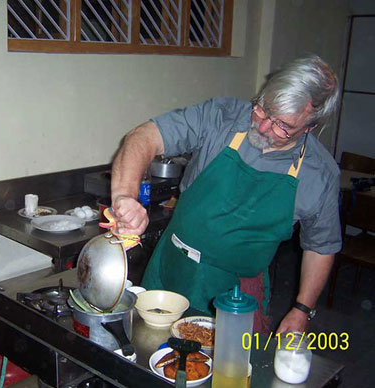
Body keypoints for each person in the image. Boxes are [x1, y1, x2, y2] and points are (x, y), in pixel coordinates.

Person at [110, 55, 341, 334]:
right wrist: (125, 196)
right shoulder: (222, 117)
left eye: (283, 126)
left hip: (236, 294)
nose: (264, 126)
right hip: (171, 268)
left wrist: (302, 309)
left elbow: (320, 246)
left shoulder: (320, 174)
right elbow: (142, 137)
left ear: (309, 128)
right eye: (262, 109)